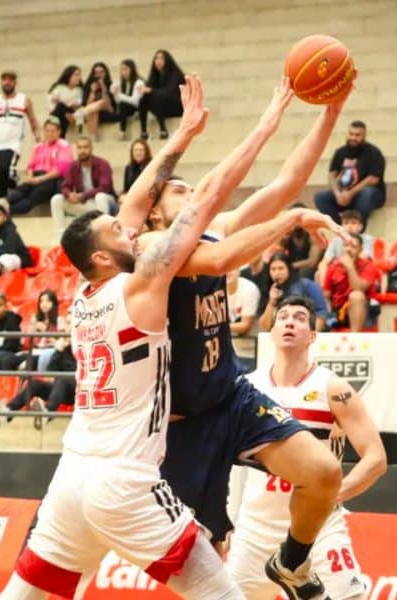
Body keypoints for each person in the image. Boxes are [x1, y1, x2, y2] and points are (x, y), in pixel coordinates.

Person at [4, 74, 289, 600]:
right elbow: (206, 200)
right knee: (221, 595)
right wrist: (267, 124)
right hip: (125, 481)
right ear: (102, 257)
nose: (130, 228)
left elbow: (136, 203)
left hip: (72, 476)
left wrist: (183, 136)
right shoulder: (143, 281)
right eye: (118, 232)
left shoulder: (84, 295)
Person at [131, 77, 349, 597]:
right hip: (182, 425)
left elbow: (286, 183)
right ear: (158, 210)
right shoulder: (156, 247)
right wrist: (269, 121)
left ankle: (291, 564)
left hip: (231, 396)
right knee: (206, 564)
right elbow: (229, 252)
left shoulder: (214, 228)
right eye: (181, 190)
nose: (195, 192)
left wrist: (330, 110)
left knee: (323, 472)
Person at [227, 295, 386, 600]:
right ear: (271, 333)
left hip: (319, 528)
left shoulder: (333, 388)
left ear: (312, 336)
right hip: (256, 527)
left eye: (300, 318)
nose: (289, 321)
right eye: (283, 316)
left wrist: (325, 496)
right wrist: (223, 521)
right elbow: (229, 466)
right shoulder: (247, 387)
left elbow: (376, 458)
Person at [313, 120, 387, 226]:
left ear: (364, 136)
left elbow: (373, 179)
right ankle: (340, 227)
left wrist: (350, 193)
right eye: (351, 134)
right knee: (320, 197)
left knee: (367, 193)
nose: (353, 138)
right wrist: (337, 194)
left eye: (357, 135)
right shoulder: (340, 152)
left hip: (369, 195)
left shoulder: (373, 153)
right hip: (345, 195)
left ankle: (359, 228)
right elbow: (332, 175)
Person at [0, 70, 41, 199]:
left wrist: (37, 134)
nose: (7, 82)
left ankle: (15, 187)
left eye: (10, 80)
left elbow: (33, 120)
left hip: (12, 144)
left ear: (15, 82)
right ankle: (2, 199)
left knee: (5, 170)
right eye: (4, 79)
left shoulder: (23, 99)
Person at [50, 136, 117, 234]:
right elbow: (65, 186)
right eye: (80, 148)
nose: (82, 150)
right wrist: (69, 195)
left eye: (86, 147)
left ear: (91, 148)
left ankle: (104, 233)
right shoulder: (73, 166)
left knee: (100, 196)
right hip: (86, 203)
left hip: (105, 202)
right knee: (56, 199)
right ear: (76, 149)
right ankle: (61, 234)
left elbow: (105, 187)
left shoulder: (102, 164)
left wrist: (83, 195)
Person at [7, 119, 73, 215]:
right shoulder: (38, 146)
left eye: (53, 131)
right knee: (19, 191)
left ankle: (7, 211)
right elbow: (31, 165)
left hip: (51, 178)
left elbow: (60, 169)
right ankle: (2, 207)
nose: (49, 134)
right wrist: (30, 177)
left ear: (59, 132)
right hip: (35, 177)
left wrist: (40, 179)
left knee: (34, 196)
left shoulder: (63, 145)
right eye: (47, 131)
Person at [321, 232, 381, 332]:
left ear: (360, 250)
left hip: (364, 310)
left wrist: (350, 267)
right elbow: (326, 296)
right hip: (340, 311)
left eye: (353, 247)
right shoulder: (333, 267)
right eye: (346, 246)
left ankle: (354, 338)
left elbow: (358, 289)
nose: (349, 250)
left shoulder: (369, 266)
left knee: (356, 296)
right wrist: (329, 318)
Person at [258, 253, 330, 332]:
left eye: (281, 268)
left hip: (306, 336)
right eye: (273, 269)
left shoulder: (307, 285)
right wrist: (271, 302)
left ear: (289, 269)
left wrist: (311, 336)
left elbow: (321, 313)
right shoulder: (267, 289)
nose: (277, 273)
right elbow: (265, 327)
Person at [317, 209, 377, 282]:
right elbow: (325, 261)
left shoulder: (368, 239)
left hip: (360, 271)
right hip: (340, 270)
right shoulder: (335, 241)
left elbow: (364, 257)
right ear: (341, 226)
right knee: (319, 273)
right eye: (346, 223)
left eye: (353, 223)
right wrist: (324, 280)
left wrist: (345, 265)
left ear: (360, 227)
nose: (349, 226)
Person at [138, 50, 184, 140]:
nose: (158, 61)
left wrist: (152, 91)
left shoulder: (175, 74)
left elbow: (170, 92)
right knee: (144, 99)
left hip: (177, 106)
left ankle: (163, 129)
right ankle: (143, 131)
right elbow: (149, 90)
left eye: (161, 58)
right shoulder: (155, 75)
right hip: (161, 108)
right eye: (156, 58)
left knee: (155, 96)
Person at [227, 270, 261, 371]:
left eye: (231, 268)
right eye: (225, 269)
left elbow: (245, 326)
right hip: (229, 349)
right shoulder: (217, 288)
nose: (227, 272)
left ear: (238, 270)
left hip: (250, 350)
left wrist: (219, 326)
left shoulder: (249, 289)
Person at [0, 200, 32, 272]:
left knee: (4, 259)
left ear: (5, 217)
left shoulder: (10, 230)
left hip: (19, 259)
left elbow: (10, 251)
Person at [80, 61, 119, 139]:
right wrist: (92, 91)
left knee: (101, 103)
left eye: (101, 72)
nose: (99, 75)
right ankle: (93, 137)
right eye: (96, 73)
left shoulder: (111, 85)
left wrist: (103, 87)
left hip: (108, 112)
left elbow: (110, 106)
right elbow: (88, 105)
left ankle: (92, 136)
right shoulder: (88, 86)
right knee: (94, 110)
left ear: (106, 73)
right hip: (93, 113)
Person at [111, 59, 146, 140]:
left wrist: (119, 95)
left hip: (137, 107)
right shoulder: (120, 82)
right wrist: (115, 93)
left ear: (132, 69)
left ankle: (122, 131)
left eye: (125, 69)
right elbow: (117, 101)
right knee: (121, 105)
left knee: (123, 105)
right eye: (121, 69)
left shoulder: (139, 82)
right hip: (124, 108)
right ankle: (122, 131)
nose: (123, 72)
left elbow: (135, 101)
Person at [118, 139, 151, 206]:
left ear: (146, 152)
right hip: (132, 200)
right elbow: (126, 189)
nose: (138, 153)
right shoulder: (128, 168)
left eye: (141, 150)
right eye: (136, 150)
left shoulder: (152, 166)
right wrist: (122, 195)